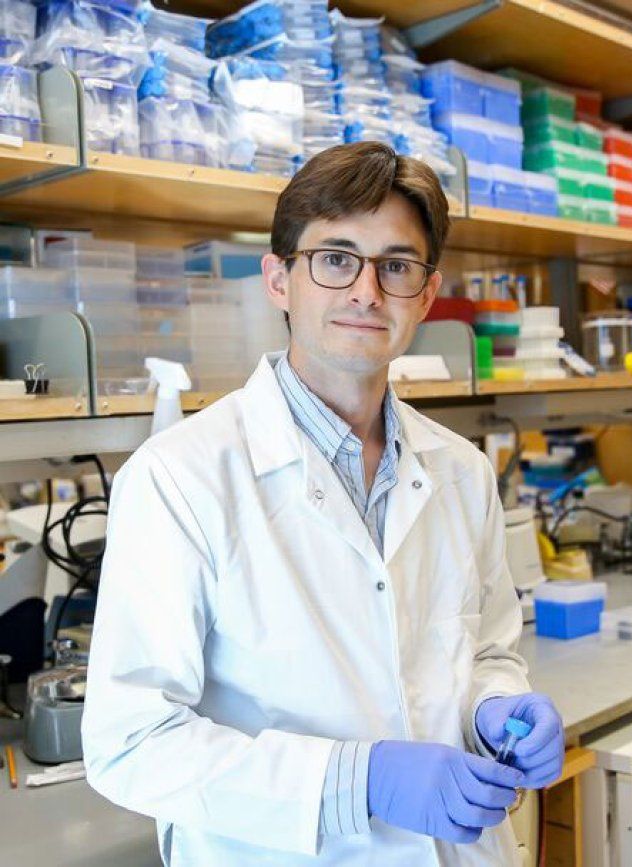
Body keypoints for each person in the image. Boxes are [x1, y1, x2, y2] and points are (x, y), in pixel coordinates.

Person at [82, 142, 564, 866]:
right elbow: (130, 742)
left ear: (426, 295)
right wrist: (358, 779)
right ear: (278, 279)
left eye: (396, 266)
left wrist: (495, 706)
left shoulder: (461, 472)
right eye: (336, 258)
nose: (367, 291)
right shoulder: (178, 478)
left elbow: (487, 648)